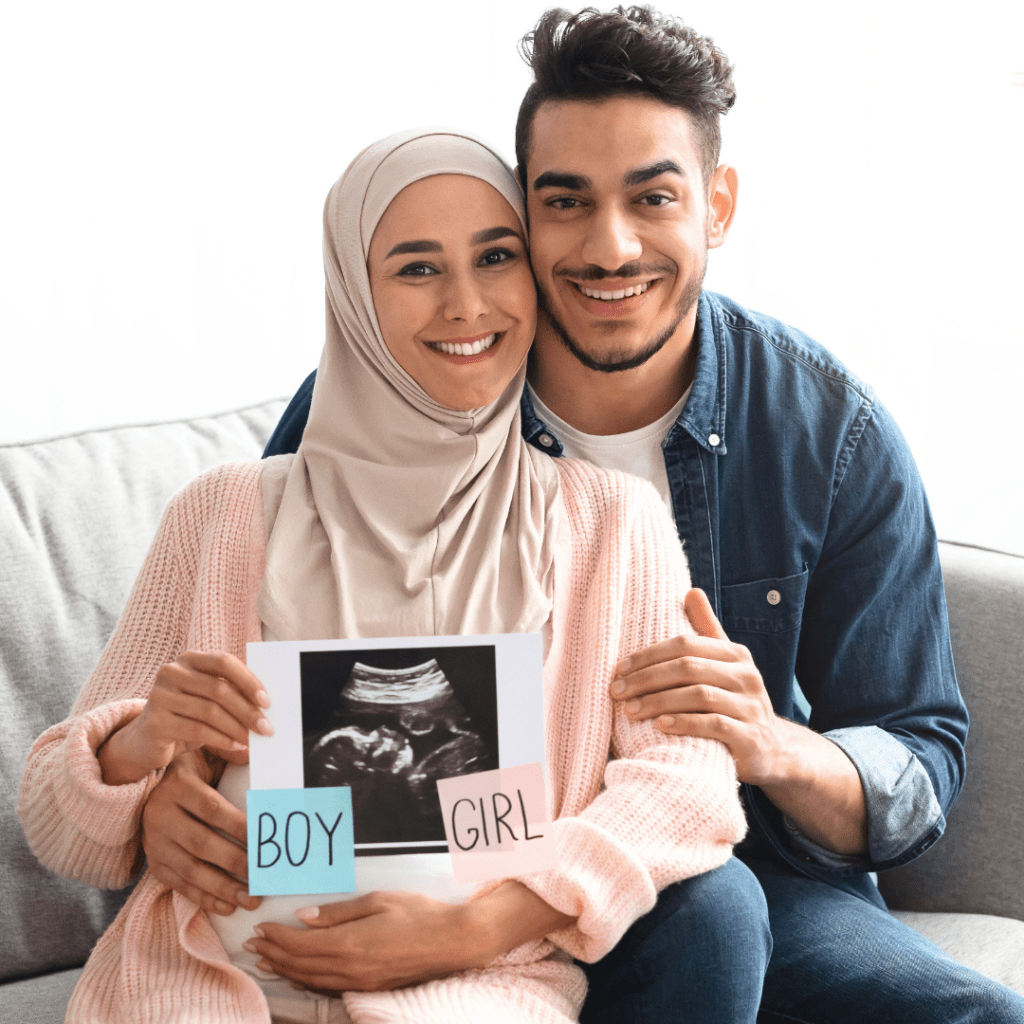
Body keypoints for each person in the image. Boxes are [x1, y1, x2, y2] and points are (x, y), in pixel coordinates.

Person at [156, 7, 1022, 1023]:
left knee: (794, 939)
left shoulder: (828, 429)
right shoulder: (389, 396)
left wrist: (771, 743)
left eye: (651, 196)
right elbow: (247, 659)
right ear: (521, 211)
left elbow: (920, 756)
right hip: (443, 858)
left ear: (716, 204)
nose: (610, 248)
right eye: (565, 201)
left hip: (732, 874)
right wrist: (173, 796)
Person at [19, 129, 748, 1024]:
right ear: (353, 298)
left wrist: (484, 925)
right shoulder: (223, 513)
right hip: (205, 982)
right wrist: (136, 758)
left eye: (496, 257)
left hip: (476, 993)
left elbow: (687, 781)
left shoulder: (612, 523)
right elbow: (56, 817)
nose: (467, 303)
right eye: (416, 269)